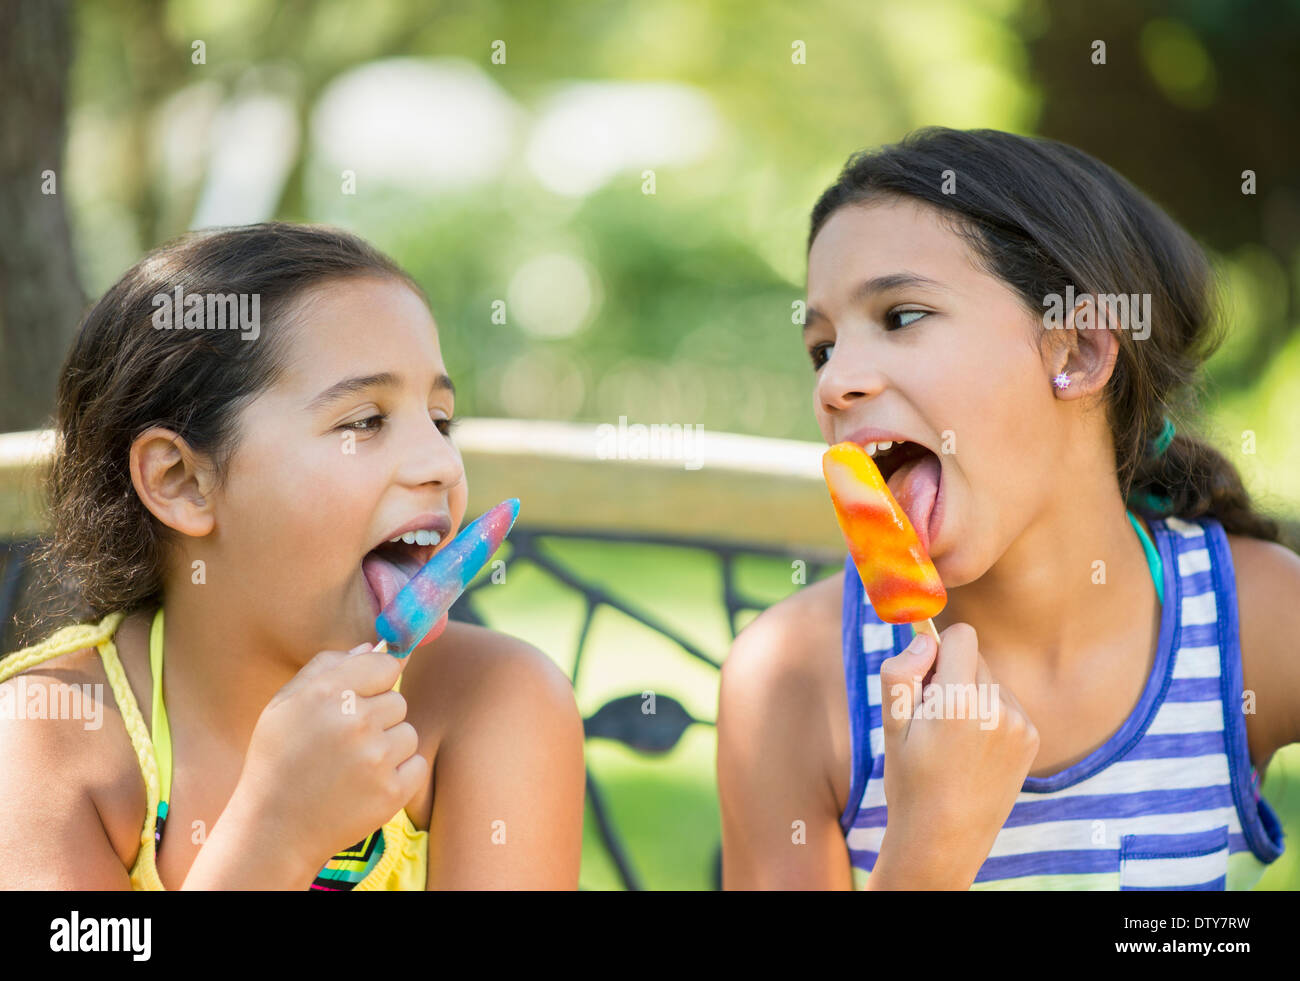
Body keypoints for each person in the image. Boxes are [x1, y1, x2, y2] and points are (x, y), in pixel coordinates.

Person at [718, 127, 1299, 890]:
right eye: (822, 347)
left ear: (1077, 351)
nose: (834, 383)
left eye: (900, 315)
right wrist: (927, 847)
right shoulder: (792, 678)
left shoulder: (1254, 620)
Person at [0, 222, 585, 890]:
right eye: (363, 420)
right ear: (180, 481)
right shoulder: (45, 741)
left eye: (440, 420)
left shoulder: (493, 702)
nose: (440, 463)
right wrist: (274, 838)